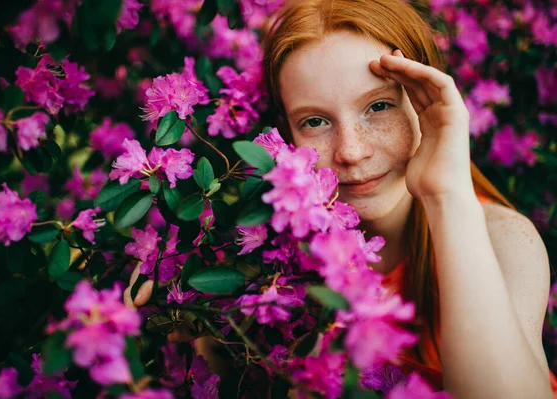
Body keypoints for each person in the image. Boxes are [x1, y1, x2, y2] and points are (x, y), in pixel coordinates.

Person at [126, 0, 557, 397]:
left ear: (426, 97)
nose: (351, 151)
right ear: (285, 133)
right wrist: (193, 323)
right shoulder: (268, 262)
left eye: (379, 107)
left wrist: (446, 196)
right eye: (315, 121)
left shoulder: (506, 241)